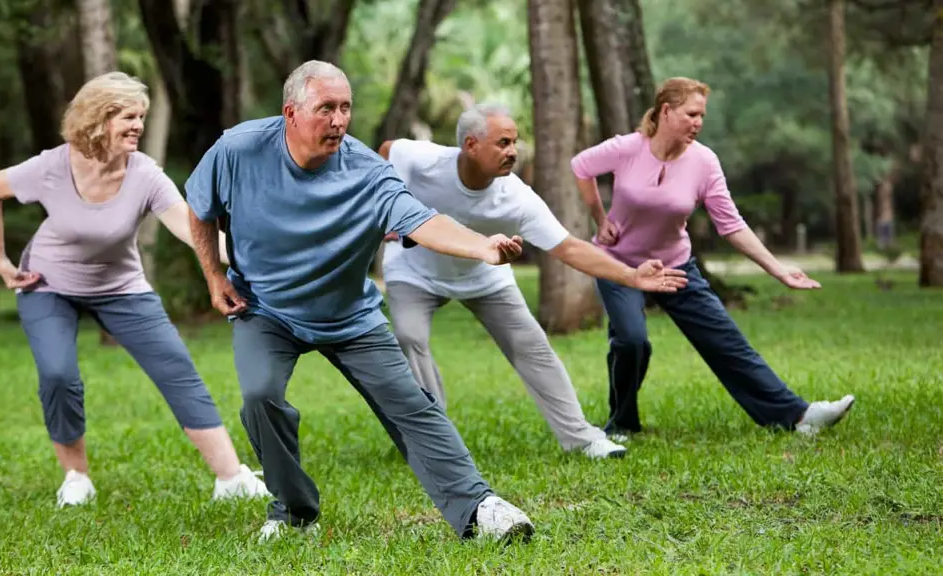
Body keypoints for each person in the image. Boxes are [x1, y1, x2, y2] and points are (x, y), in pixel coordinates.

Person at [184, 60, 535, 543]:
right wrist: (213, 275)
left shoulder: (367, 171)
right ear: (290, 112)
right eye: (326, 108)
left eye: (346, 107)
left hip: (348, 315)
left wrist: (483, 246)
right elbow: (199, 207)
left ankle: (479, 508)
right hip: (265, 307)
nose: (339, 120)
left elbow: (421, 219)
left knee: (412, 405)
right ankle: (293, 512)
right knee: (259, 396)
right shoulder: (238, 150)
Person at [0, 72, 271, 508]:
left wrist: (258, 255)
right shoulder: (52, 166)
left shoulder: (145, 175)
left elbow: (194, 231)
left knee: (177, 368)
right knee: (58, 375)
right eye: (128, 116)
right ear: (98, 119)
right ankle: (76, 477)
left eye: (141, 117)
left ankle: (231, 477)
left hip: (120, 286)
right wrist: (0, 261)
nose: (138, 125)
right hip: (48, 283)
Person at [376, 103, 689, 460]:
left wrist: (631, 275)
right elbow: (387, 150)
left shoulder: (516, 198)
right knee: (409, 337)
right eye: (503, 143)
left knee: (534, 348)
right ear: (470, 144)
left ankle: (583, 438)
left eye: (515, 142)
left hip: (484, 275)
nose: (513, 152)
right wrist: (390, 209)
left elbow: (570, 248)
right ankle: (434, 441)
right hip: (414, 270)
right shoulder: (425, 160)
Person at [571, 76, 855, 439]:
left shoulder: (704, 162)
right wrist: (600, 217)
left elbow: (731, 225)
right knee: (631, 341)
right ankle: (622, 423)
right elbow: (581, 166)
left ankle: (799, 417)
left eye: (702, 115)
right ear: (666, 111)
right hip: (619, 264)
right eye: (691, 114)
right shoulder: (628, 148)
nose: (698, 123)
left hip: (675, 266)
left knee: (726, 342)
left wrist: (778, 270)